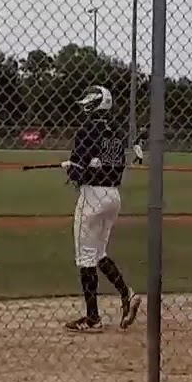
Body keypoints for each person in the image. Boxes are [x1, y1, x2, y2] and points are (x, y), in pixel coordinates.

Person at [60, 85, 143, 333]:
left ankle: (93, 318)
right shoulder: (116, 134)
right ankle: (127, 293)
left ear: (94, 104)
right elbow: (109, 166)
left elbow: (77, 173)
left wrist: (70, 168)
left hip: (93, 196)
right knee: (99, 253)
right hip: (113, 196)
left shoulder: (87, 130)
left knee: (85, 257)